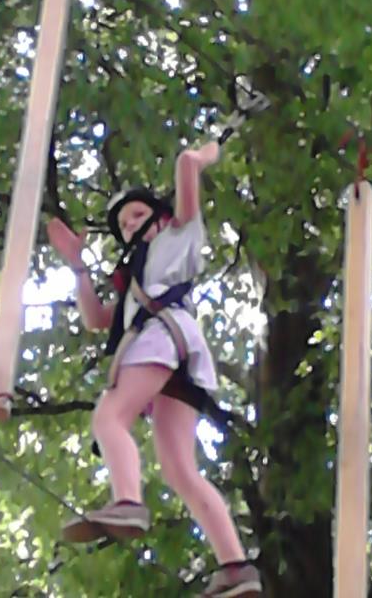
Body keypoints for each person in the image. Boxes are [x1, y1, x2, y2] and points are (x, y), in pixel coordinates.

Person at [47, 140, 262, 598]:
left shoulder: (177, 237)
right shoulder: (135, 282)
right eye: (123, 225)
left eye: (137, 215)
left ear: (160, 217)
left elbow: (185, 165)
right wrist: (78, 266)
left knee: (109, 417)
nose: (130, 226)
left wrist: (203, 155)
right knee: (180, 471)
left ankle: (127, 501)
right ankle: (236, 566)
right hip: (175, 348)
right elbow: (96, 319)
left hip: (163, 338)